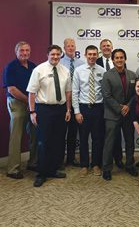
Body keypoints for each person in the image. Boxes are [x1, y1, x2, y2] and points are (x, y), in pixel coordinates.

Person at [27, 45, 72, 187]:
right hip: (44, 110)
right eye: (53, 54)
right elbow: (32, 93)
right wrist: (32, 112)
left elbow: (68, 92)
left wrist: (68, 110)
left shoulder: (65, 71)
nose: (55, 57)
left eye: (58, 54)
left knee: (58, 141)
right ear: (47, 55)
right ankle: (41, 173)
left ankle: (53, 170)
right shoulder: (39, 70)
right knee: (43, 142)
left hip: (60, 110)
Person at [102, 49, 138, 180]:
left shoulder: (133, 75)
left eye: (121, 57)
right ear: (112, 60)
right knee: (109, 142)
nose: (119, 60)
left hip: (128, 114)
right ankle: (106, 168)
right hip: (112, 114)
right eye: (116, 58)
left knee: (129, 141)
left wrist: (128, 106)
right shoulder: (107, 75)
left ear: (125, 59)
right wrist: (119, 108)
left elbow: (136, 94)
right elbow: (106, 95)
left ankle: (129, 165)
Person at [3, 41, 37, 179]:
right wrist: (28, 101)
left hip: (31, 104)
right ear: (16, 52)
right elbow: (11, 89)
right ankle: (13, 168)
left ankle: (33, 162)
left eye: (27, 50)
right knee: (16, 136)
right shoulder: (10, 67)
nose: (25, 53)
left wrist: (32, 103)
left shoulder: (33, 66)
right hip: (17, 103)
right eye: (22, 50)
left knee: (35, 133)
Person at [72, 45, 106, 177]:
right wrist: (77, 112)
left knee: (98, 138)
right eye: (89, 54)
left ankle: (96, 164)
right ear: (85, 55)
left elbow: (104, 91)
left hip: (98, 108)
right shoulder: (78, 70)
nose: (92, 56)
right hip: (83, 108)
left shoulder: (102, 71)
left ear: (97, 55)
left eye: (94, 54)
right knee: (84, 138)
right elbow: (75, 92)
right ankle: (84, 165)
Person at [96, 38, 124, 169]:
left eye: (108, 46)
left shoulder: (120, 63)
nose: (106, 48)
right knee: (103, 135)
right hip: (99, 105)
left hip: (116, 107)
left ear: (111, 47)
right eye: (104, 46)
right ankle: (103, 161)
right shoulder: (95, 62)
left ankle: (118, 159)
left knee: (116, 135)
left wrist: (119, 107)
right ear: (101, 49)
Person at [60, 38, 84, 167]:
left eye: (72, 46)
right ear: (64, 48)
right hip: (62, 102)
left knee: (73, 132)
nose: (70, 48)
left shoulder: (81, 63)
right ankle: (59, 159)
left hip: (76, 102)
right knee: (61, 132)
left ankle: (71, 158)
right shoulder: (59, 63)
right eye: (68, 46)